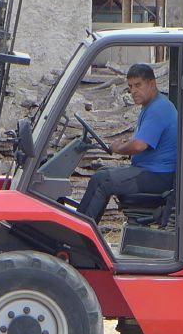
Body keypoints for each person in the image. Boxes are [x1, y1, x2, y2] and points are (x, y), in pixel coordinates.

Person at [76, 63, 177, 223]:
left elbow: (139, 146)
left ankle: (80, 235)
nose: (133, 91)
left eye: (138, 85)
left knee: (103, 180)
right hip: (151, 172)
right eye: (130, 86)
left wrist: (118, 147)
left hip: (158, 175)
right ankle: (82, 227)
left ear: (152, 84)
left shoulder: (159, 108)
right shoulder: (151, 107)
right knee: (102, 173)